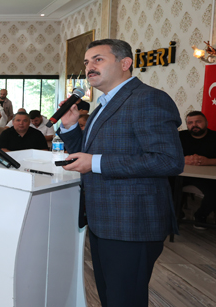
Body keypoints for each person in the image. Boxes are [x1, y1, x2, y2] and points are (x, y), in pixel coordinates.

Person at [58, 38, 184, 307]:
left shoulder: (148, 98)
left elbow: (168, 161)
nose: (89, 67)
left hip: (132, 222)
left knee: (125, 300)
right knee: (110, 297)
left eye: (98, 59)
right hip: (104, 220)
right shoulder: (102, 105)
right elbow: (86, 154)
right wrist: (69, 129)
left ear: (125, 63)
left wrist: (96, 163)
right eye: (87, 62)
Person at [177, 111, 216, 229]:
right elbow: (168, 155)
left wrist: (207, 161)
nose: (194, 125)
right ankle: (177, 214)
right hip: (183, 174)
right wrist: (184, 159)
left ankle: (200, 216)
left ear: (206, 123)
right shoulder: (179, 136)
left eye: (198, 122)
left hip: (207, 176)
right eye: (190, 123)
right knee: (165, 185)